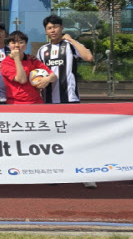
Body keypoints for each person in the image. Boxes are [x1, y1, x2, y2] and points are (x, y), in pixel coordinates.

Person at [36, 14, 97, 189]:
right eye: (49, 28)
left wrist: (72, 39)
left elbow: (89, 57)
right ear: (45, 31)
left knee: (77, 137)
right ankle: (54, 172)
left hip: (70, 99)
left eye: (55, 26)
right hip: (49, 101)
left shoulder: (70, 46)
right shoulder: (42, 50)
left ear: (61, 28)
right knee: (52, 138)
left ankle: (86, 173)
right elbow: (38, 73)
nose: (53, 30)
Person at [0, 31, 56, 104]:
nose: (17, 45)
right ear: (9, 45)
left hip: (36, 102)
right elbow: (22, 80)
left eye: (21, 42)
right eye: (13, 43)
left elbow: (53, 76)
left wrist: (47, 79)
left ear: (26, 45)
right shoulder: (6, 63)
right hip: (16, 103)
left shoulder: (32, 60)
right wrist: (17, 58)